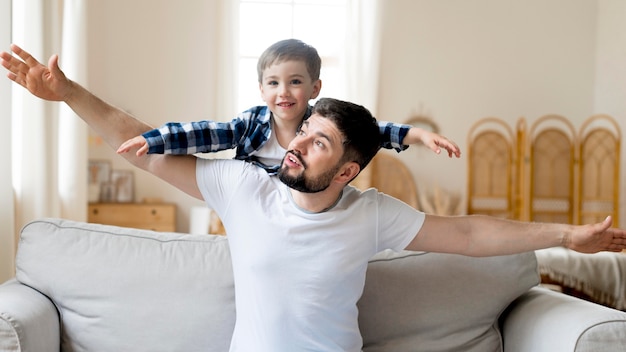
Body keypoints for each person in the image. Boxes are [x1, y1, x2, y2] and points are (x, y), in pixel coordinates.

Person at [3, 44, 625, 352]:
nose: (297, 144)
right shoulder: (244, 188)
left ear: (349, 171)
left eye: (319, 142)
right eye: (303, 131)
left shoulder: (371, 215)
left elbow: (466, 235)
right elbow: (139, 140)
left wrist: (569, 237)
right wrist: (68, 93)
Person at [122, 39, 461, 173]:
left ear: (315, 87)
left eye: (295, 82)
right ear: (261, 90)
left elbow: (374, 131)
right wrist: (154, 139)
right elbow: (208, 133)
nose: (283, 92)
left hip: (303, 201)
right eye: (273, 83)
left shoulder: (321, 123)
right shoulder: (251, 124)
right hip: (257, 202)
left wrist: (418, 135)